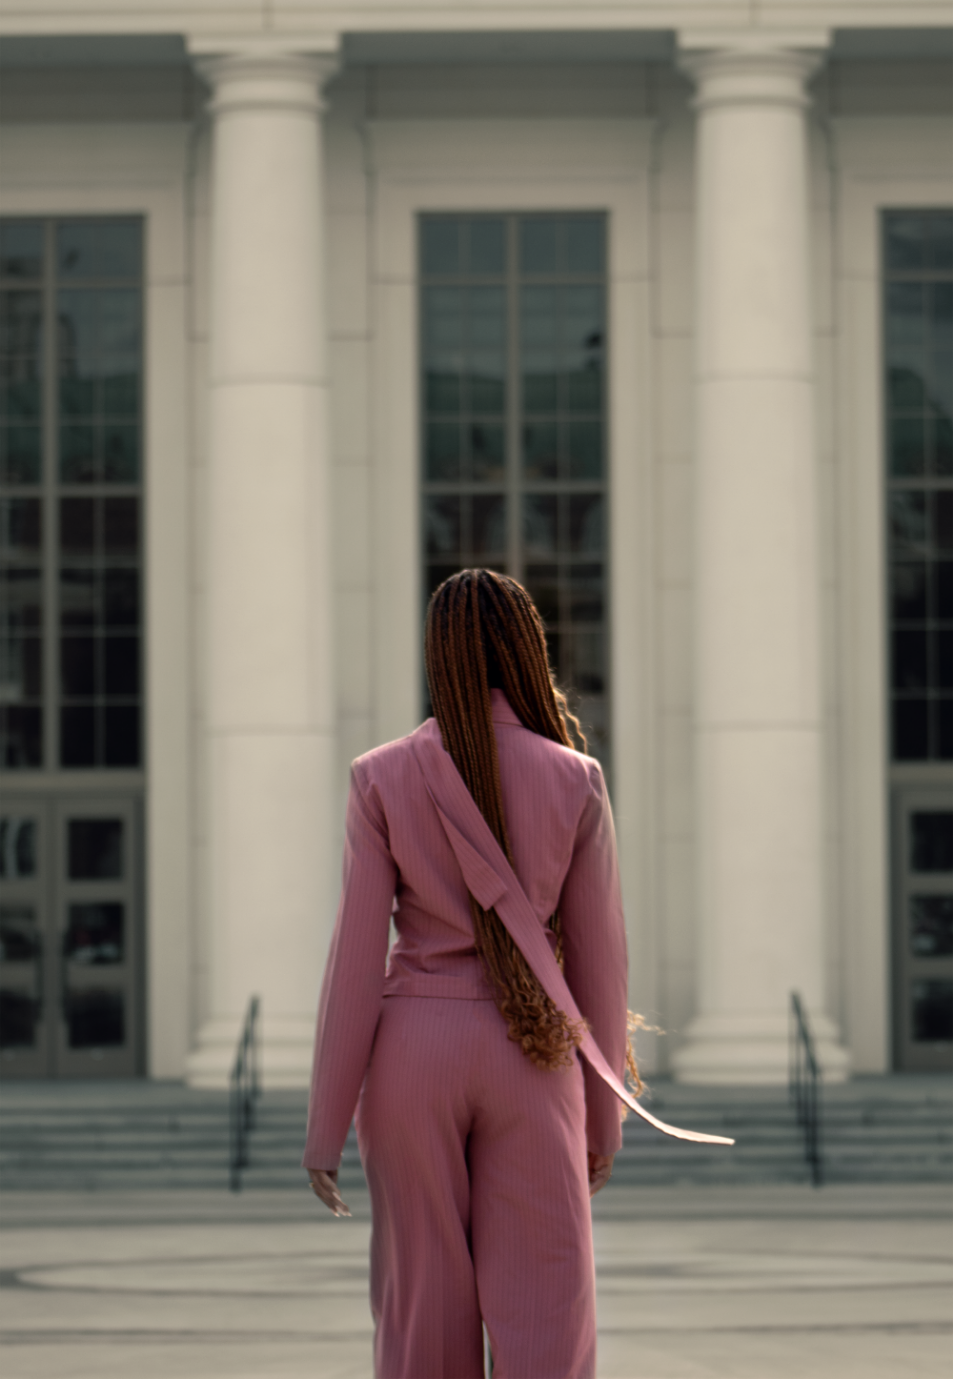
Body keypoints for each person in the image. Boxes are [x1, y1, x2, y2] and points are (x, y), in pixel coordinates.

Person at [302, 568, 634, 1378]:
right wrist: (603, 1118)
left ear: (436, 653)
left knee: (423, 1312)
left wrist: (324, 1125)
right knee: (545, 1312)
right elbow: (599, 966)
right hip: (533, 1052)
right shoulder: (574, 778)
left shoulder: (378, 776)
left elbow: (354, 958)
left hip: (413, 1053)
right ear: (527, 647)